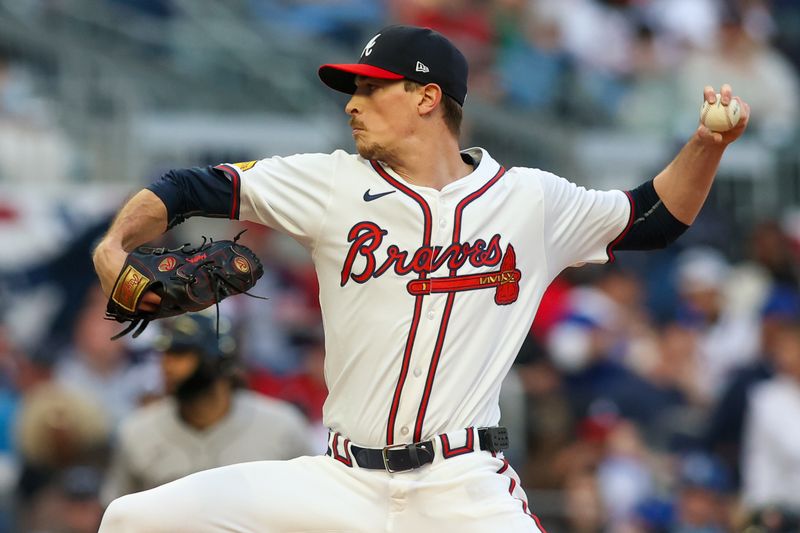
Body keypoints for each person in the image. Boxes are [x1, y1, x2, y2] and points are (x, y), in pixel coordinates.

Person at [92, 24, 750, 532]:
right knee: (132, 519)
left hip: (462, 487)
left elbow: (654, 218)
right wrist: (117, 243)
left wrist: (706, 145)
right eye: (354, 89)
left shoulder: (530, 201)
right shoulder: (330, 182)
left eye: (371, 87)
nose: (353, 104)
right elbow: (187, 187)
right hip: (340, 483)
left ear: (428, 97)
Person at [100, 312, 314, 505]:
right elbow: (117, 516)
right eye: (166, 354)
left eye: (181, 354)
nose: (167, 366)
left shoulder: (281, 427)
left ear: (218, 361)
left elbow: (313, 503)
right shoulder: (136, 431)